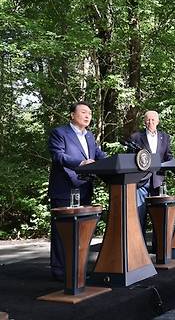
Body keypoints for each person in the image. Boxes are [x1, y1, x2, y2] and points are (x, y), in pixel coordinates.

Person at [47, 101, 107, 281]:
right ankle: (59, 271)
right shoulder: (59, 133)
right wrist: (80, 163)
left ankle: (77, 269)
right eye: (83, 112)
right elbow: (58, 156)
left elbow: (99, 155)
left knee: (81, 232)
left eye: (89, 113)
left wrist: (117, 162)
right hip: (64, 189)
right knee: (62, 232)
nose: (87, 115)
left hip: (84, 188)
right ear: (72, 115)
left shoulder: (89, 136)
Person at [130, 110, 173, 229]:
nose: (150, 122)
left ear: (158, 121)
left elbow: (168, 156)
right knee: (139, 214)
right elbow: (131, 158)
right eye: (148, 119)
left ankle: (157, 246)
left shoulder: (165, 137)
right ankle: (140, 245)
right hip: (141, 181)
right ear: (144, 121)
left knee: (159, 215)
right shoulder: (136, 137)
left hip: (158, 180)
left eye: (153, 119)